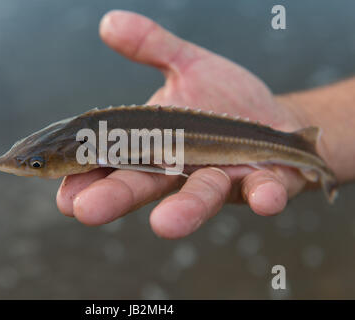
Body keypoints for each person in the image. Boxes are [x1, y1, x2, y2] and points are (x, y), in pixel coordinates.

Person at [56, 10, 355, 239]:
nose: (35, 169)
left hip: (278, 146)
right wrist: (300, 115)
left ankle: (310, 156)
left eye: (36, 164)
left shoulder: (98, 139)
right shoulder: (96, 138)